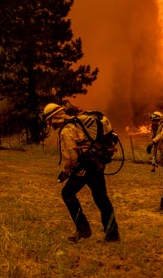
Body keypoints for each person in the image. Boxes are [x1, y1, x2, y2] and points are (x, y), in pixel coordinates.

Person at [44, 103, 120, 242]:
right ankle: (112, 234)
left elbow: (71, 157)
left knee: (67, 194)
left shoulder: (66, 130)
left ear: (54, 118)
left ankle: (83, 229)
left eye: (49, 120)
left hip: (85, 166)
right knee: (101, 198)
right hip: (96, 163)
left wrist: (66, 172)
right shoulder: (76, 123)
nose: (49, 124)